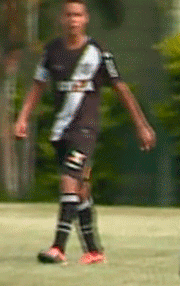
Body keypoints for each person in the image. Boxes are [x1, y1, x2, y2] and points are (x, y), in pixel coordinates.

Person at [14, 0, 156, 265]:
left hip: (86, 131)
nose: (73, 20)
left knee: (69, 179)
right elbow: (37, 86)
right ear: (61, 19)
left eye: (78, 15)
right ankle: (94, 251)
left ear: (86, 18)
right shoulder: (52, 51)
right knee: (80, 190)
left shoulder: (97, 52)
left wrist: (141, 125)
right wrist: (22, 118)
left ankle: (58, 247)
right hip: (61, 131)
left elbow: (121, 89)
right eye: (68, 15)